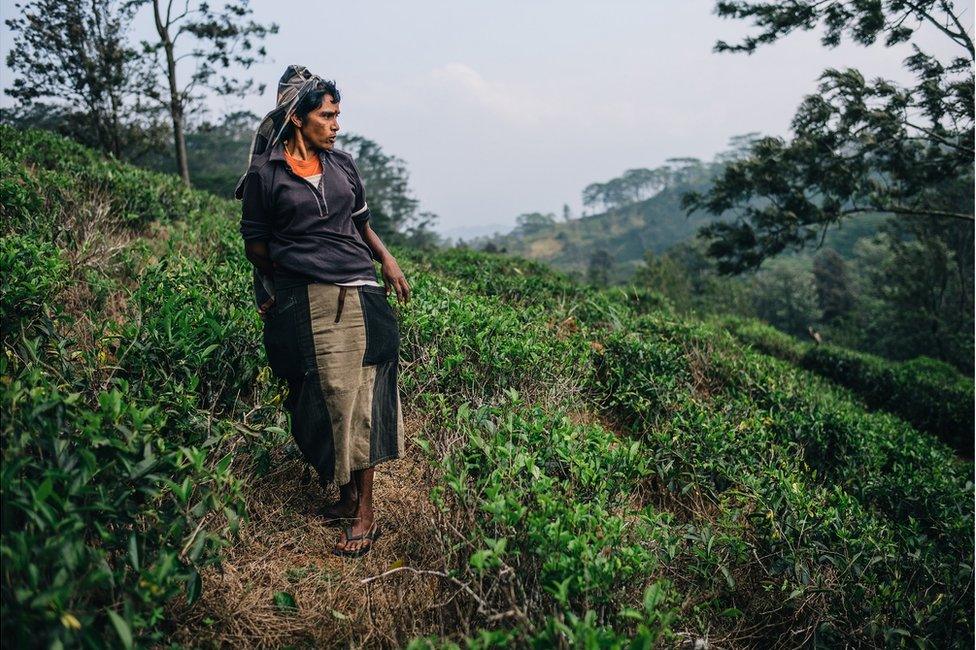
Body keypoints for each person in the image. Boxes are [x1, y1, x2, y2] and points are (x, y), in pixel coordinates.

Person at [236, 65, 410, 558]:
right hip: (305, 299)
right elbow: (256, 246)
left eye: (338, 115)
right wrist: (289, 275)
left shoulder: (343, 165)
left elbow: (361, 223)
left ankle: (364, 511)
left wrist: (387, 259)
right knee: (317, 395)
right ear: (298, 119)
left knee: (363, 396)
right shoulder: (266, 176)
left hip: (361, 292)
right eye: (327, 115)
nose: (336, 125)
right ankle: (345, 494)